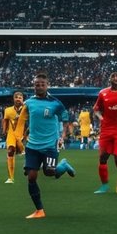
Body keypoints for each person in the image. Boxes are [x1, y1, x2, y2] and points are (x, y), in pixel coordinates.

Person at [21, 72, 76, 219]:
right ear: (33, 86)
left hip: (50, 145)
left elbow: (65, 116)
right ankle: (39, 210)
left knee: (49, 172)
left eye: (42, 84)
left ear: (47, 85)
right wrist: (23, 134)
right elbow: (26, 120)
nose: (39, 86)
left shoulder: (55, 102)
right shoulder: (28, 102)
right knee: (32, 177)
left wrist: (63, 134)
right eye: (36, 84)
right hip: (32, 145)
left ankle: (63, 165)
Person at [2, 91, 27, 184]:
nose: (18, 99)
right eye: (16, 97)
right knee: (10, 151)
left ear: (23, 99)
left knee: (30, 152)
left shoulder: (26, 109)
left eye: (20, 97)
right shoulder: (8, 110)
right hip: (11, 135)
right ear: (13, 99)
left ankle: (29, 165)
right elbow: (5, 120)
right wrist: (4, 131)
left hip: (23, 134)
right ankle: (10, 178)